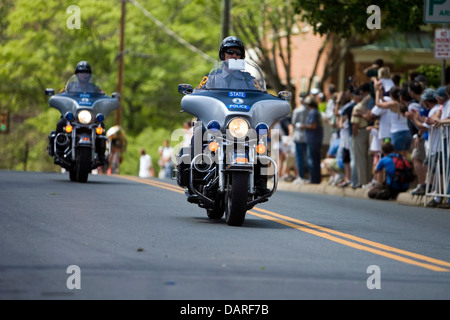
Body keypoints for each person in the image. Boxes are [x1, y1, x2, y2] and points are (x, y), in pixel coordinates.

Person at [300, 96, 323, 184]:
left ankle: (313, 179)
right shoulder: (315, 112)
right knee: (315, 160)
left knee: (312, 160)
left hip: (313, 139)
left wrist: (304, 126)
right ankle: (316, 179)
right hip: (315, 139)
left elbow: (313, 126)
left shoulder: (313, 112)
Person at [291, 92, 309, 184]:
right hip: (308, 136)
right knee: (307, 157)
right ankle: (307, 176)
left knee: (299, 158)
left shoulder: (297, 111)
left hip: (298, 136)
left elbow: (293, 124)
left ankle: (301, 176)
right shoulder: (310, 110)